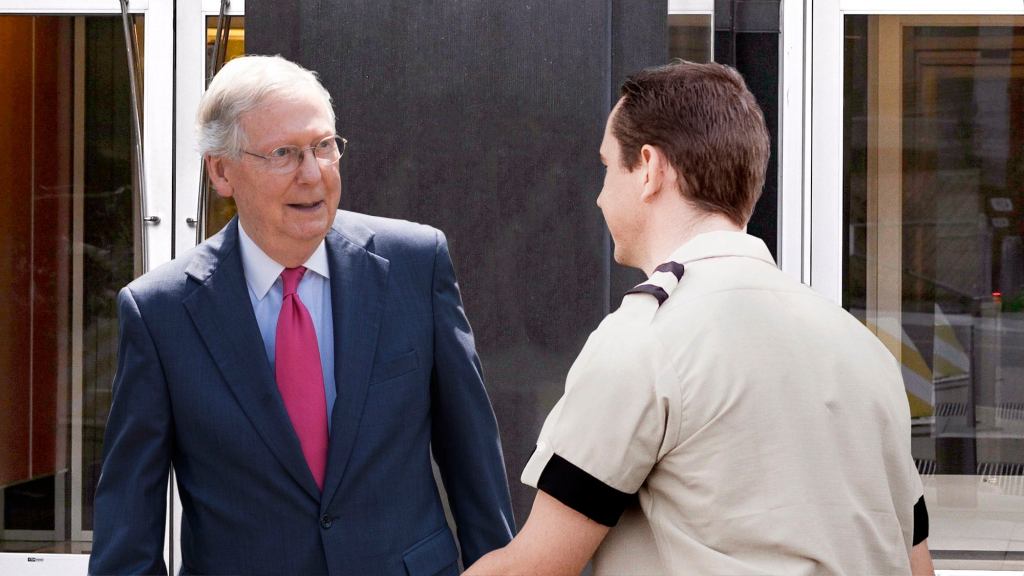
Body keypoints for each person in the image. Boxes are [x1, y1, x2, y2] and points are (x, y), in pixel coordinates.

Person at [466, 61, 932, 575]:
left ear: (648, 168)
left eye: (606, 167)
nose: (599, 196)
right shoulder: (863, 349)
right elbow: (917, 564)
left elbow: (533, 568)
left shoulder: (646, 338)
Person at [89, 55, 514, 576]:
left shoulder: (414, 263)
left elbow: (472, 458)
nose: (313, 175)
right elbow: (128, 526)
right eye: (284, 154)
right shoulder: (160, 312)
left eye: (324, 147)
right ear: (222, 171)